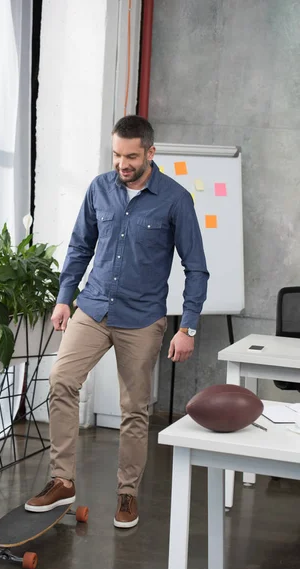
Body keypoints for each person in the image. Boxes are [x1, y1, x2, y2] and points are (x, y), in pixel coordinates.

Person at [25, 115, 209, 528]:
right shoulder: (99, 189)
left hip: (142, 318)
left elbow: (196, 268)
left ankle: (127, 495)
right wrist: (63, 300)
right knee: (61, 381)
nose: (122, 164)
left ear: (150, 153)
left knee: (134, 409)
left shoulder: (175, 199)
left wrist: (188, 325)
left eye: (130, 156)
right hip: (92, 308)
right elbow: (79, 247)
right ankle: (61, 480)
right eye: (116, 155)